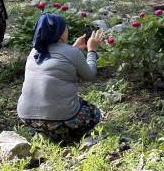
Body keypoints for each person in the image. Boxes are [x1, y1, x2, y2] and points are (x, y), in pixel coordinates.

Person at [17, 13, 104, 144]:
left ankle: (47, 135)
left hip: (28, 118)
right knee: (94, 113)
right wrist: (92, 50)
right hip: (63, 119)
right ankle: (68, 137)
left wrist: (73, 48)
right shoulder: (71, 52)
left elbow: (55, 60)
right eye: (66, 28)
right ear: (61, 32)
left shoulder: (34, 51)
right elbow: (90, 75)